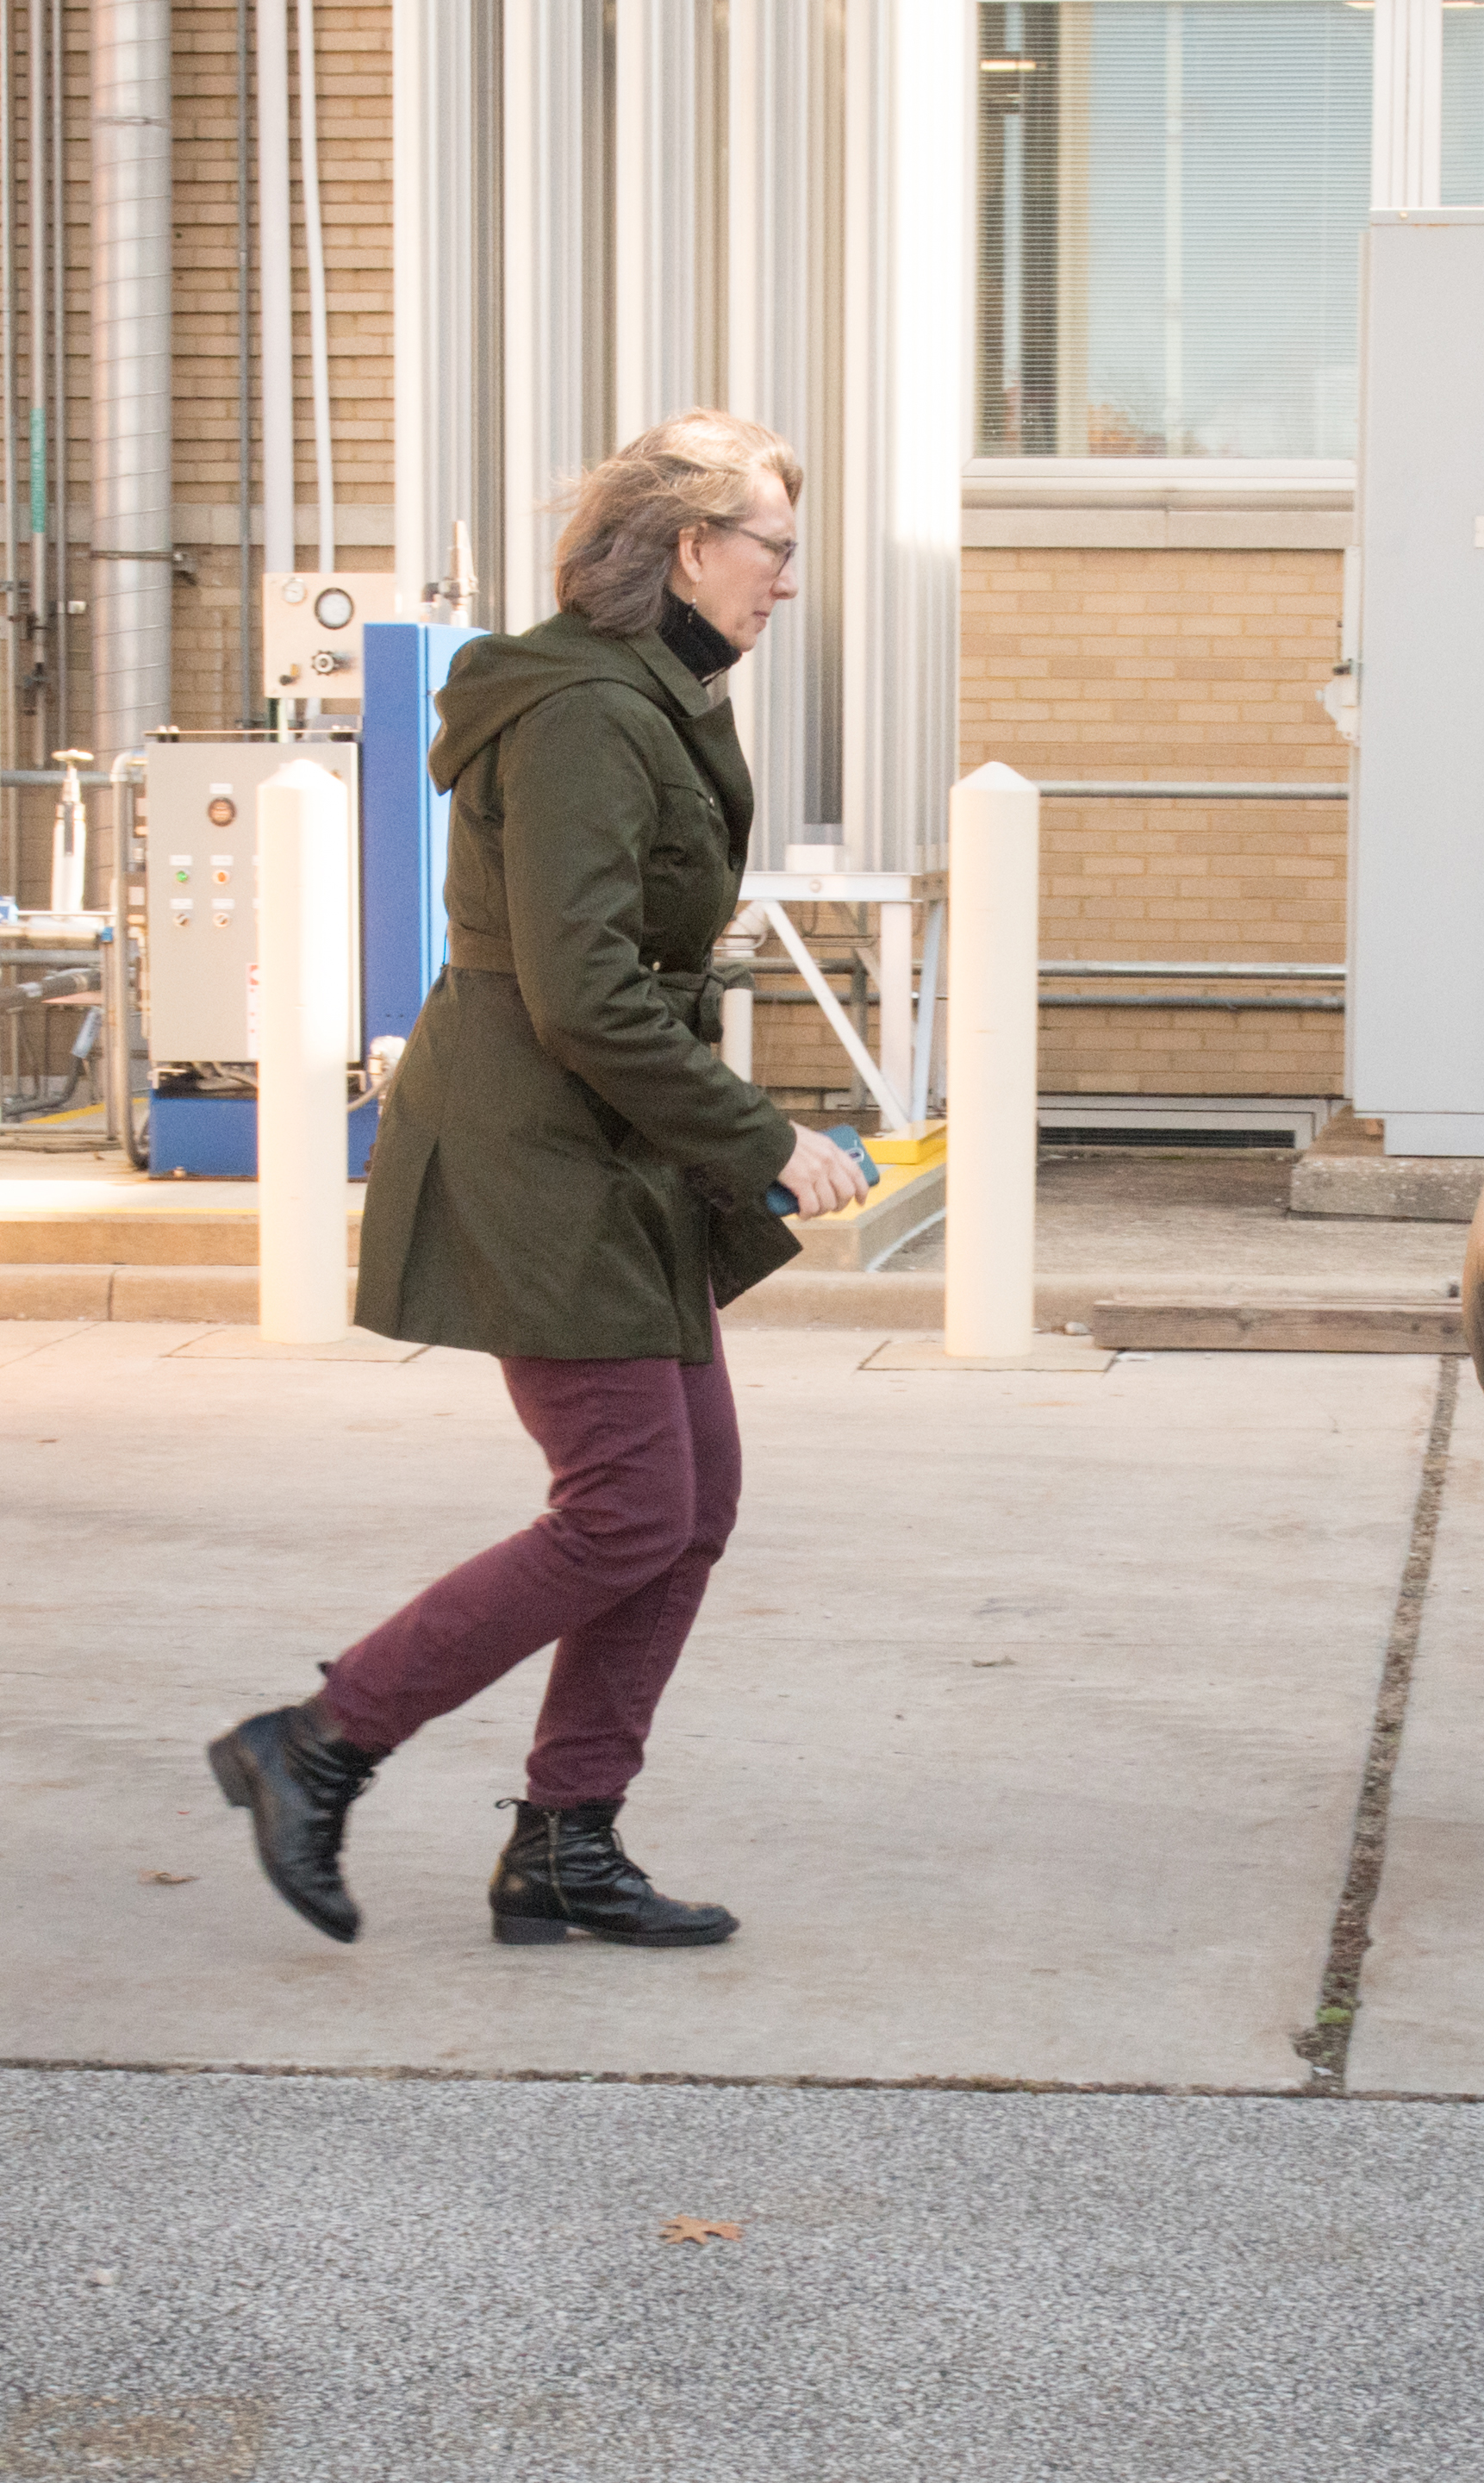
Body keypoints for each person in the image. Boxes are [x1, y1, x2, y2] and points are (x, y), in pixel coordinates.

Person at [205, 410, 868, 1943]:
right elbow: (584, 992)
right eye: (773, 548)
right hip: (541, 1145)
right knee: (631, 1502)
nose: (785, 581)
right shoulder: (585, 709)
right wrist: (762, 1137)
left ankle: (568, 1839)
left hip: (606, 1148)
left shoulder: (649, 691)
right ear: (694, 548)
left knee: (686, 1506)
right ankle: (318, 1740)